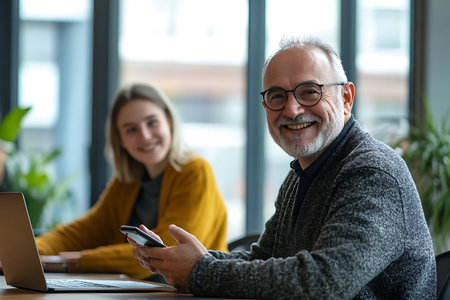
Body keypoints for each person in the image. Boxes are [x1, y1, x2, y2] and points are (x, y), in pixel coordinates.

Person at [129, 36, 436, 299]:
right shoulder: (303, 172)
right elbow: (264, 261)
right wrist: (185, 261)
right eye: (277, 96)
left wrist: (201, 269)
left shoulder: (372, 173)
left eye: (309, 91)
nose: (292, 109)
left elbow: (325, 282)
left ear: (346, 98)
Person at [34, 83, 228, 280]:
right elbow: (83, 231)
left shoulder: (196, 171)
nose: (144, 136)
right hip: (143, 290)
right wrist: (34, 251)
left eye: (152, 122)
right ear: (120, 140)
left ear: (169, 121)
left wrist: (78, 260)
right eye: (131, 130)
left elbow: (169, 250)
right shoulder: (126, 182)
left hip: (192, 293)